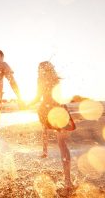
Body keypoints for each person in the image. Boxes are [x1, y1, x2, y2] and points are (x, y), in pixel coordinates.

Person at [28, 61, 76, 194]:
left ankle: (45, 150)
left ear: (41, 70)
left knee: (44, 127)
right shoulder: (56, 79)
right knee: (62, 143)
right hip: (59, 109)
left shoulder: (40, 79)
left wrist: (26, 103)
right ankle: (68, 181)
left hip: (46, 109)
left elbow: (38, 97)